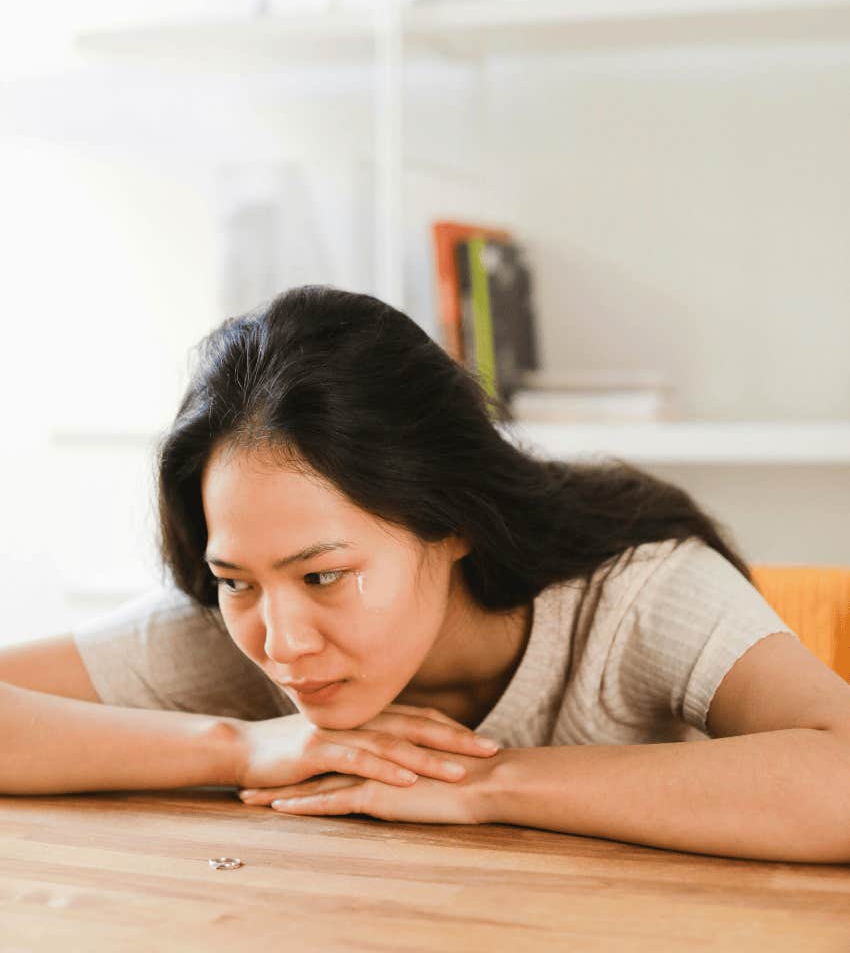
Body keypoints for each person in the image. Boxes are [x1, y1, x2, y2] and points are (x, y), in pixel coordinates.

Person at [3, 285, 850, 863]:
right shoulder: (237, 627)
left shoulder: (637, 592)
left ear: (450, 521)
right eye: (237, 580)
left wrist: (486, 783)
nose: (281, 641)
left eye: (326, 576)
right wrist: (240, 743)